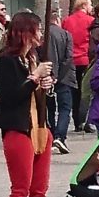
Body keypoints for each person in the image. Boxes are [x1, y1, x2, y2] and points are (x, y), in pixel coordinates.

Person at [0, 11, 60, 197]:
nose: (41, 35)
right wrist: (34, 79)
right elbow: (10, 96)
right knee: (20, 190)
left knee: (39, 191)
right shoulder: (6, 61)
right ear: (25, 33)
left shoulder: (33, 59)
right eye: (37, 30)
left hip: (40, 127)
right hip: (18, 129)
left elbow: (42, 97)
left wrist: (47, 86)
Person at [43, 12, 76, 154]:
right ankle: (60, 136)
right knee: (65, 108)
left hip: (45, 76)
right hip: (64, 77)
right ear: (57, 20)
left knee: (49, 107)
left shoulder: (42, 35)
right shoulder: (66, 35)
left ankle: (50, 135)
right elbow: (68, 58)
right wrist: (59, 75)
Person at [62, 0, 95, 131]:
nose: (91, 8)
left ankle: (76, 121)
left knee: (74, 91)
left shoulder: (67, 21)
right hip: (85, 59)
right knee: (86, 91)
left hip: (72, 60)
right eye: (90, 5)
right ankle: (84, 120)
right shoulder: (91, 21)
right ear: (84, 6)